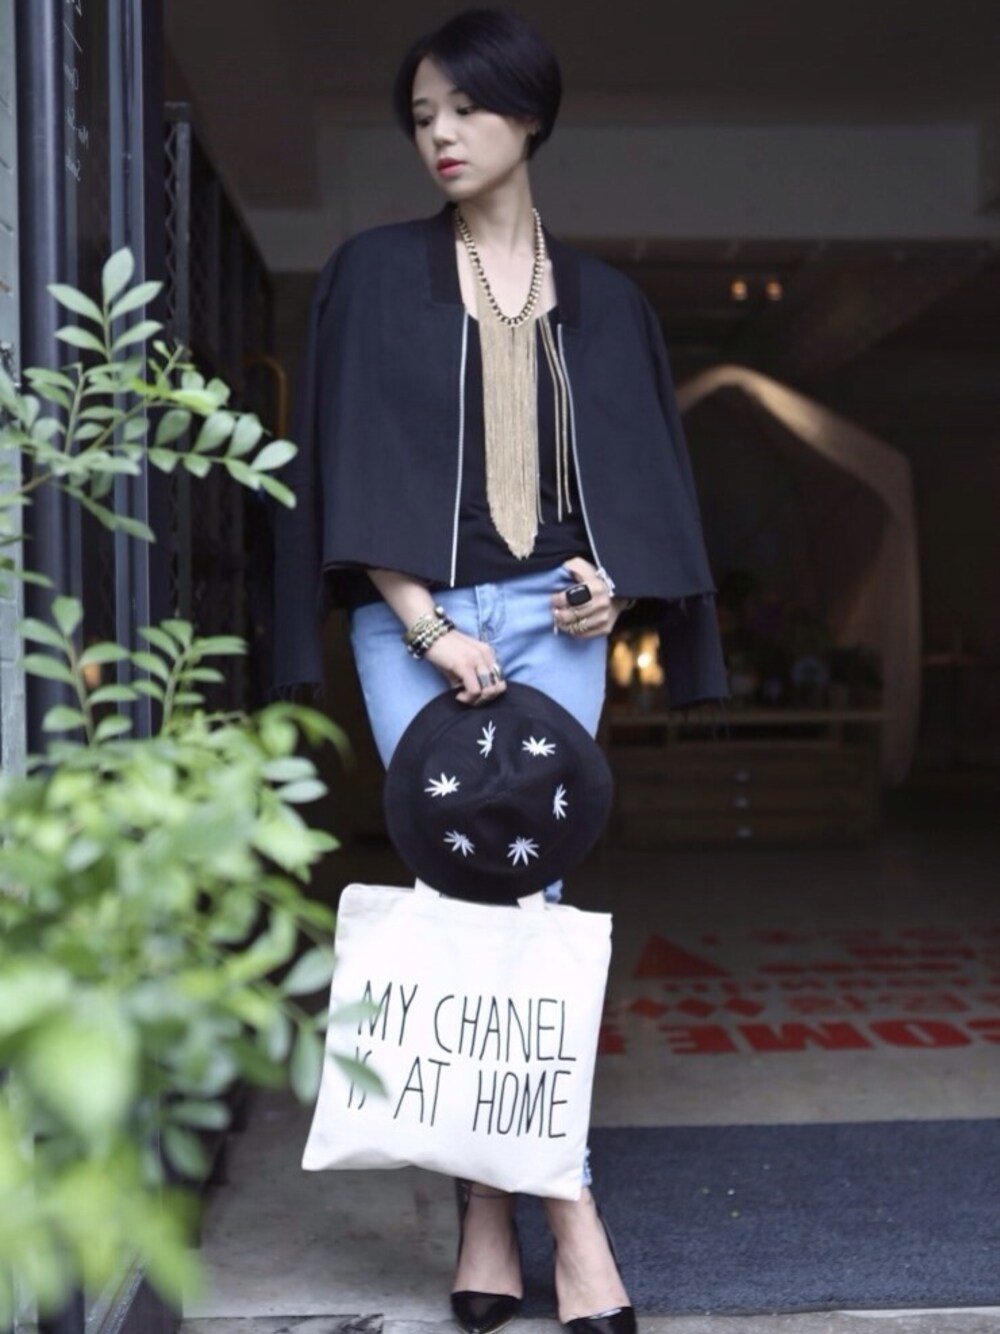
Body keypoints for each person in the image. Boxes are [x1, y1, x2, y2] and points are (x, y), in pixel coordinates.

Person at [273, 9, 728, 1334]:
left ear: (527, 115)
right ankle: (562, 1212)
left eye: (464, 109)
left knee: (530, 893)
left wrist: (613, 587)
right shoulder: (374, 272)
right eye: (422, 117)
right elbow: (352, 459)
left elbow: (632, 478)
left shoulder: (608, 299)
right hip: (415, 619)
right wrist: (426, 626)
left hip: (553, 622)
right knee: (461, 886)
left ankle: (489, 1211)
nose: (441, 135)